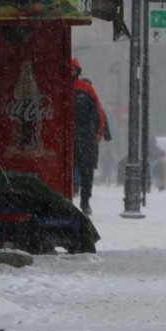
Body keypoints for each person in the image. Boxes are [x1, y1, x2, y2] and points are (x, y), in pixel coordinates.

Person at [71, 59, 110, 215]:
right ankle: (79, 198)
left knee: (86, 171)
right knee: (78, 170)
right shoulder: (84, 89)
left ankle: (84, 200)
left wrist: (100, 132)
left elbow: (99, 112)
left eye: (73, 70)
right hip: (78, 137)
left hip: (85, 138)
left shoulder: (86, 89)